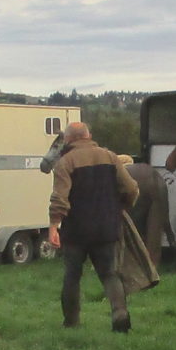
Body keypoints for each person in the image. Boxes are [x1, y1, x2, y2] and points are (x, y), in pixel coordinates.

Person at [46, 122, 139, 332]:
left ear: (68, 139)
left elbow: (60, 198)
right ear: (88, 136)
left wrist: (53, 227)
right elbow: (131, 188)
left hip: (76, 230)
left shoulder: (65, 162)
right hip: (107, 227)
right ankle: (120, 314)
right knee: (110, 274)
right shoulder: (110, 157)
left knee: (72, 276)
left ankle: (71, 322)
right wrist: (122, 207)